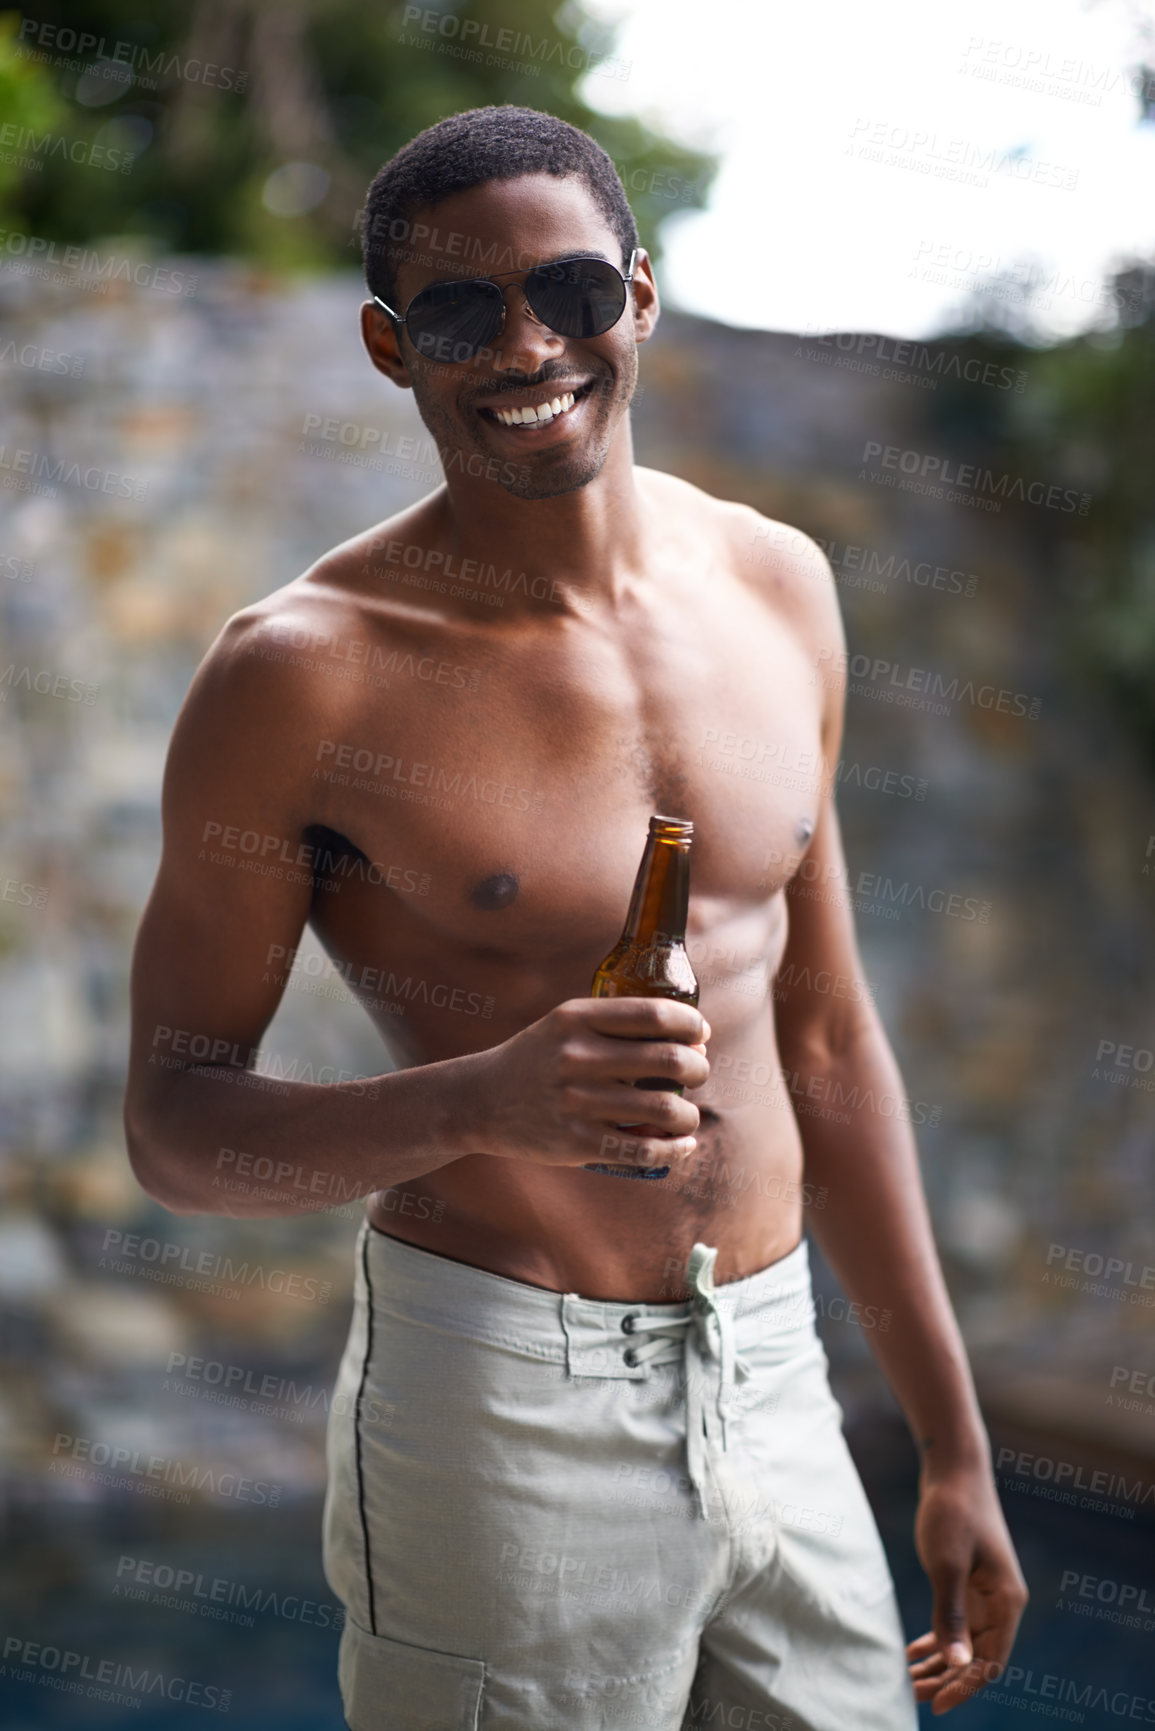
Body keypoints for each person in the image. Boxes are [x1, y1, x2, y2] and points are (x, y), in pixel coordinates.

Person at [124, 105, 1027, 1731]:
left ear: (642, 295)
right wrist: (478, 1101)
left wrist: (953, 1444)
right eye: (463, 313)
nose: (529, 346)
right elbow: (176, 1132)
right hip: (503, 1405)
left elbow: (823, 1036)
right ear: (392, 349)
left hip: (774, 1372)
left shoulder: (778, 585)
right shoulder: (302, 675)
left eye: (572, 294)